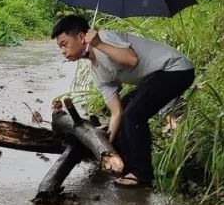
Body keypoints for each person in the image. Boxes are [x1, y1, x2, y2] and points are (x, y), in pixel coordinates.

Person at [52, 13, 194, 188]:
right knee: (126, 109)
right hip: (154, 78)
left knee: (134, 115)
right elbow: (116, 112)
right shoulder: (97, 72)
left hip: (176, 69)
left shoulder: (105, 38)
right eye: (60, 47)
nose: (62, 51)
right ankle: (125, 163)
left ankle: (141, 174)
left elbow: (131, 59)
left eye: (64, 44)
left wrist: (99, 44)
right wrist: (105, 146)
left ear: (82, 37)